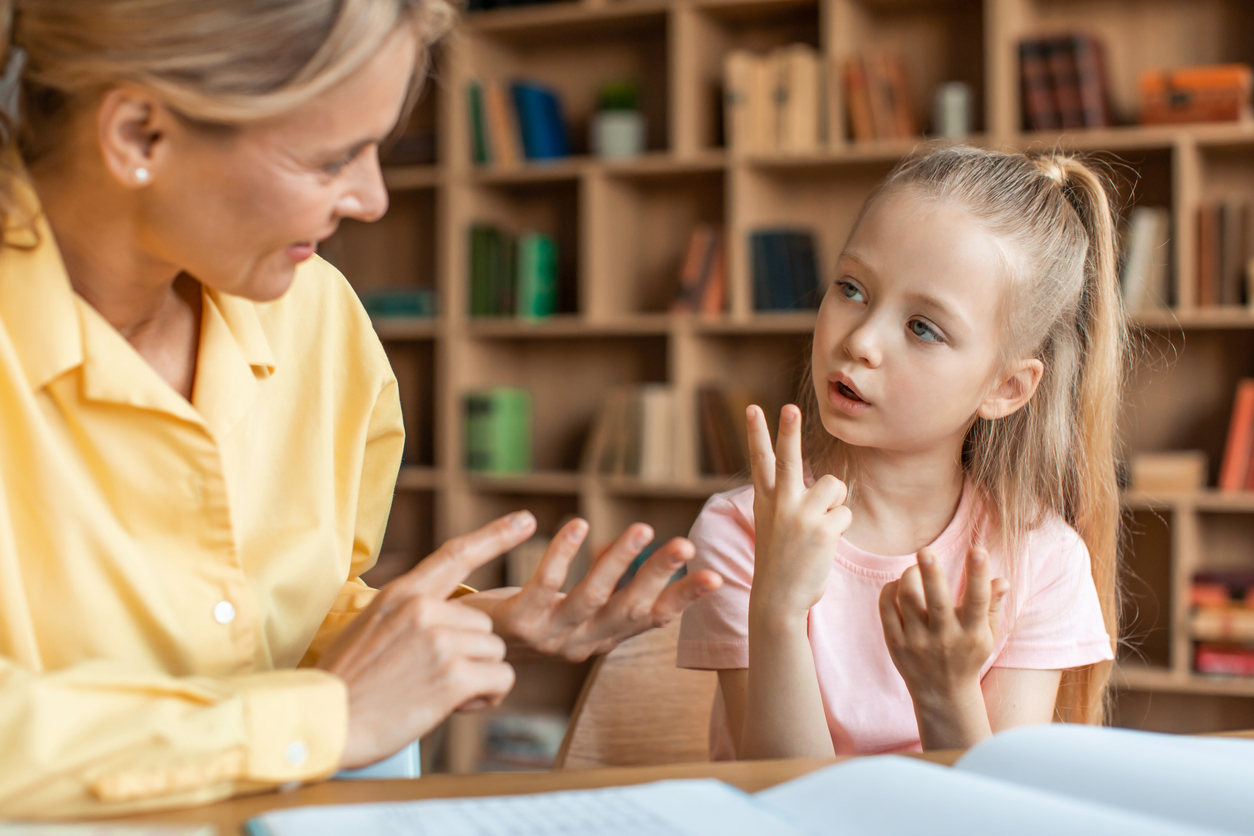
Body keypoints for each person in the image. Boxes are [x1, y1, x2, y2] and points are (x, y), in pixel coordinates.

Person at [0, 0, 721, 818]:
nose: (373, 199)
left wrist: (456, 629)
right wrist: (320, 721)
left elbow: (280, 610)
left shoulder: (318, 316)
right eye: (333, 157)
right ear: (139, 135)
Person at [677, 144, 1123, 759]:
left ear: (1005, 387)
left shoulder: (1040, 560)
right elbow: (785, 799)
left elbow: (1000, 816)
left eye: (922, 327)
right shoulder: (744, 530)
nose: (860, 340)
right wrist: (778, 609)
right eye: (852, 288)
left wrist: (946, 693)